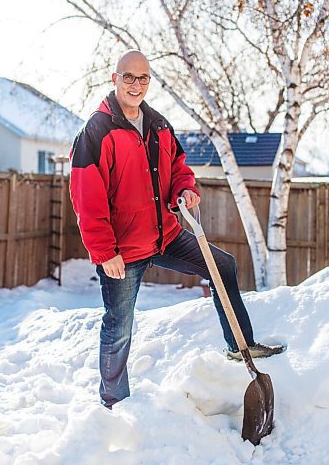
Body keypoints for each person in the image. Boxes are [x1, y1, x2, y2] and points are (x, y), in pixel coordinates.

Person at [69, 49, 284, 409]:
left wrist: (185, 189)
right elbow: (86, 198)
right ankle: (113, 401)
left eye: (143, 78)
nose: (136, 85)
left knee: (223, 265)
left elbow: (178, 166)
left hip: (165, 235)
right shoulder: (97, 130)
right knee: (119, 327)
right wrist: (105, 252)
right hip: (123, 249)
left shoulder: (158, 124)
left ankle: (239, 345)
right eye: (128, 77)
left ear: (149, 82)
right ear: (114, 78)